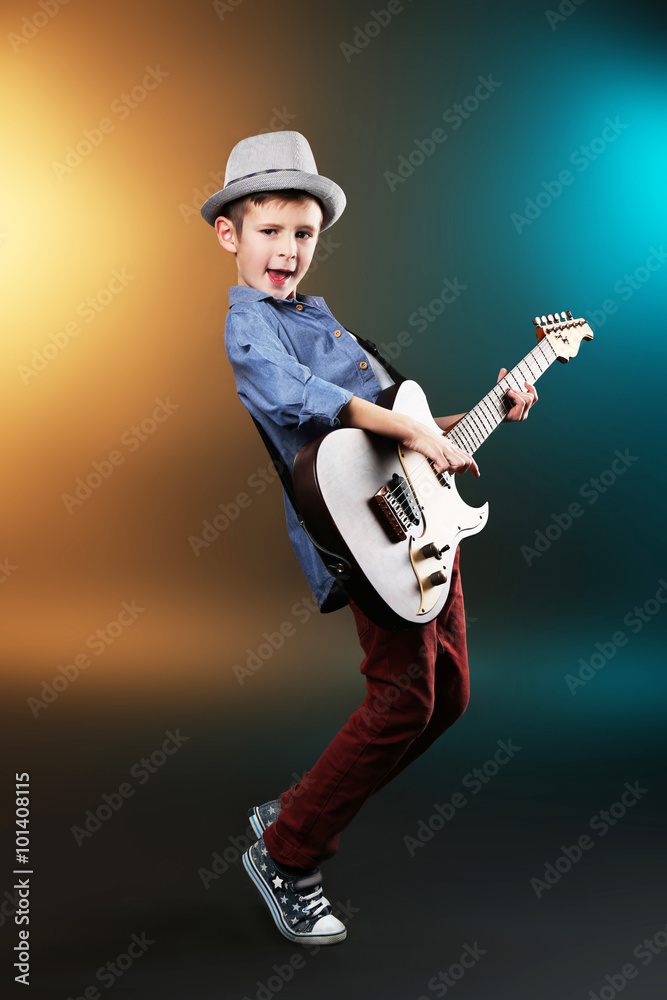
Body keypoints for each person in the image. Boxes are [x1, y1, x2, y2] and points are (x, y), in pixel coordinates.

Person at [200, 131, 537, 947]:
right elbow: (299, 397)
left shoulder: (320, 317)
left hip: (423, 521)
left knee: (446, 698)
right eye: (270, 230)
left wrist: (477, 412)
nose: (287, 250)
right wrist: (414, 435)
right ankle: (288, 853)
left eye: (303, 233)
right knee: (401, 700)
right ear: (228, 235)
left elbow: (400, 428)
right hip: (365, 534)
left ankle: (299, 808)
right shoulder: (250, 330)